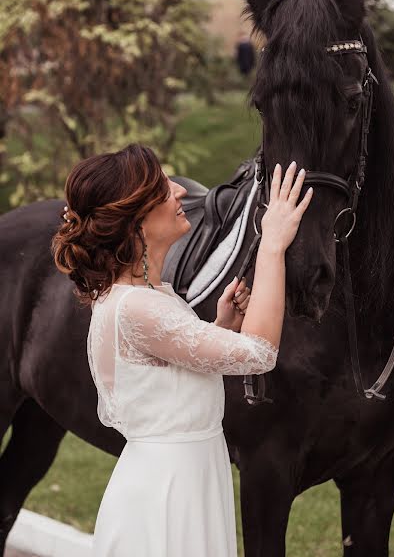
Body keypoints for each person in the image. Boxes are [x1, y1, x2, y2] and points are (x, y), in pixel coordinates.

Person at [52, 144, 313, 557]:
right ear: (135, 221)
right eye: (161, 188)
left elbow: (166, 379)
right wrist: (273, 244)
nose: (178, 191)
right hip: (167, 493)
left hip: (187, 477)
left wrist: (218, 328)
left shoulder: (151, 296)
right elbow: (259, 353)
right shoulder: (137, 307)